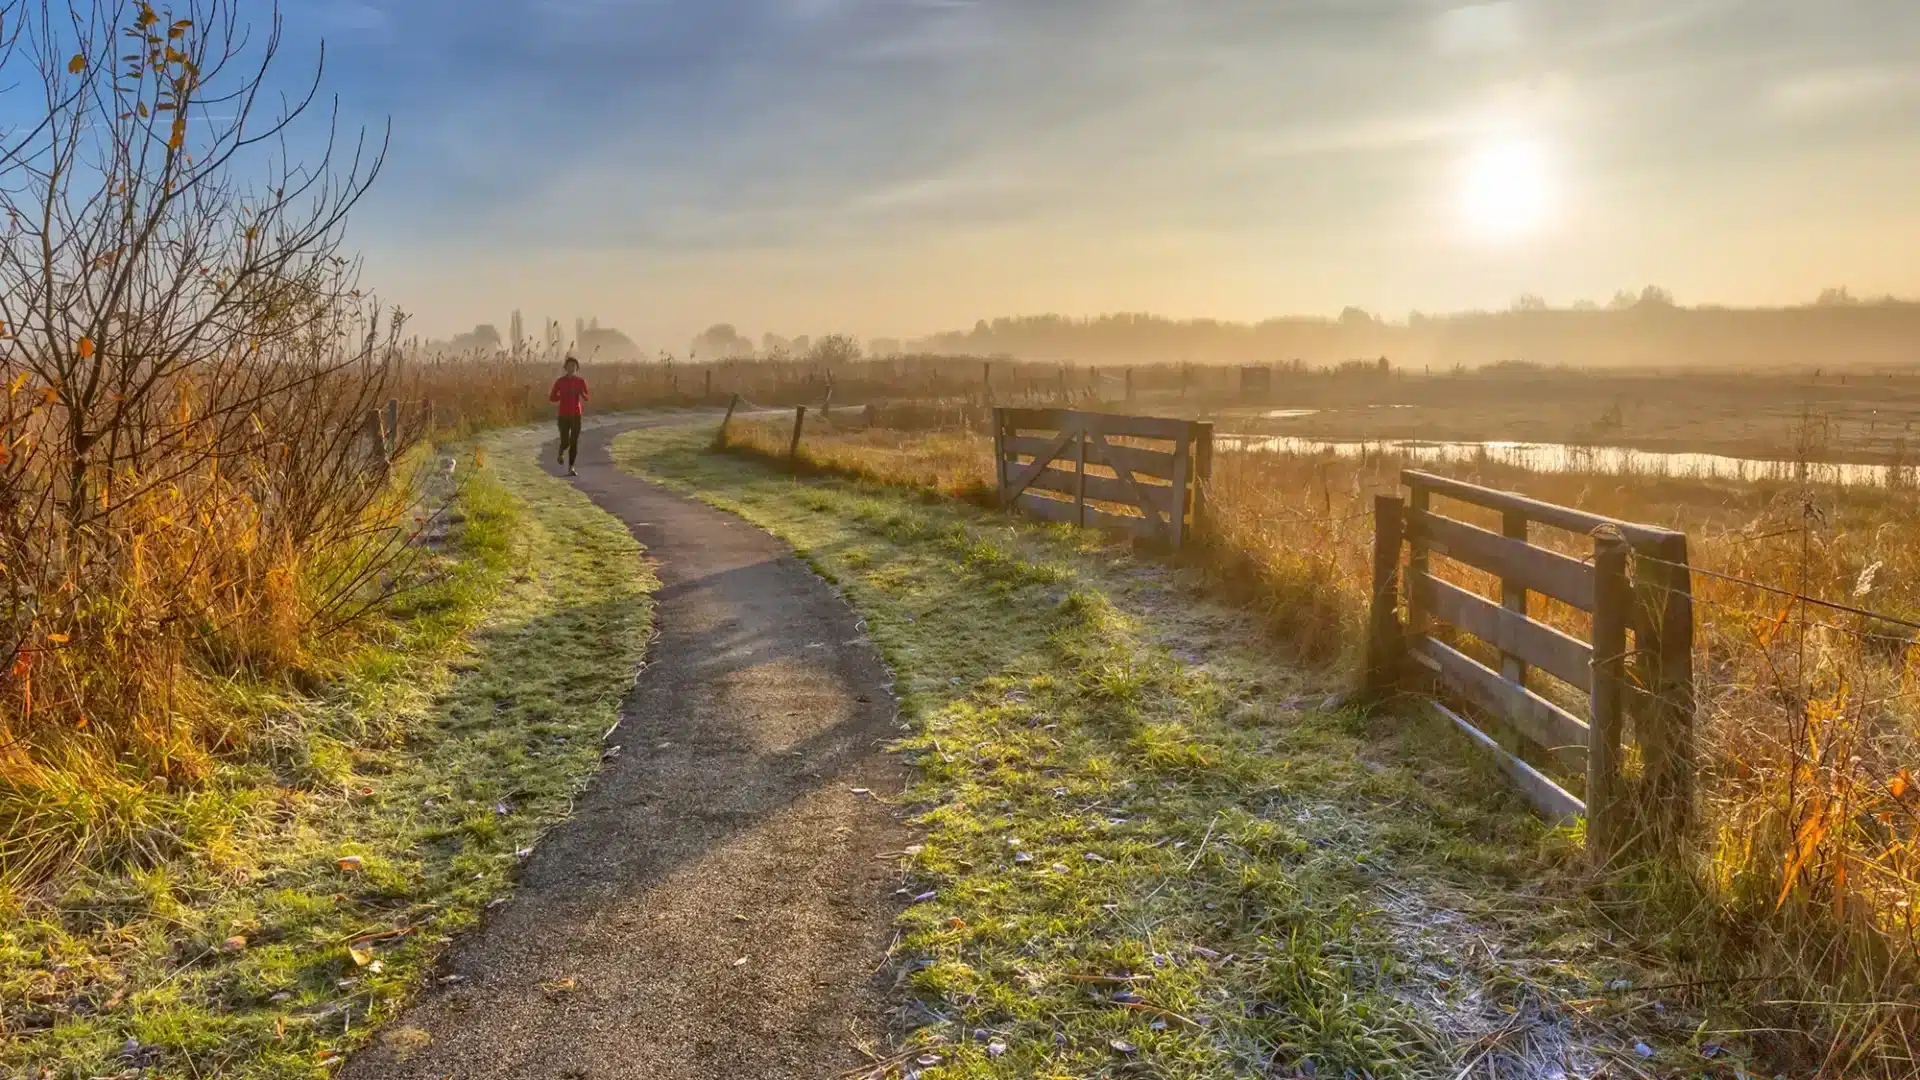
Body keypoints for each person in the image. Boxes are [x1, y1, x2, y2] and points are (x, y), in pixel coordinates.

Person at [550, 357, 589, 475]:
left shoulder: (580, 381)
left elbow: (587, 398)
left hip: (576, 414)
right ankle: (561, 453)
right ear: (565, 368)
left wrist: (582, 394)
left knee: (574, 441)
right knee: (565, 441)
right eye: (569, 366)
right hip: (563, 415)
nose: (571, 368)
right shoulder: (560, 381)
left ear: (577, 368)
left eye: (574, 366)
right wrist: (560, 397)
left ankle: (571, 467)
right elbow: (552, 398)